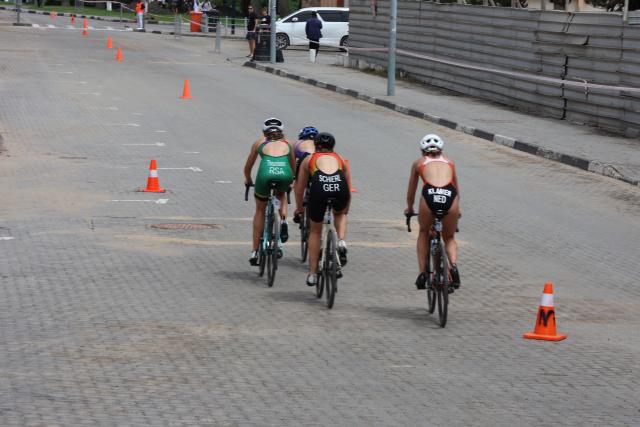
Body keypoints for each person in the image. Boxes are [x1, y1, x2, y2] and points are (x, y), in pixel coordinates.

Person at [404, 134, 461, 291]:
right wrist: (458, 209)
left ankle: (422, 274)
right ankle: (454, 267)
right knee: (449, 237)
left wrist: (409, 207)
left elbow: (412, 190)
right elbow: (456, 187)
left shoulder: (419, 163)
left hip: (430, 195)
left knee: (423, 232)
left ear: (423, 151)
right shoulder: (450, 162)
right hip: (450, 195)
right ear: (441, 150)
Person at [294, 132, 351, 286]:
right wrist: (345, 210)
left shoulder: (308, 159)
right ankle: (341, 240)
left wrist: (299, 210)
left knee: (315, 231)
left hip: (319, 189)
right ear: (332, 146)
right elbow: (348, 186)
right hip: (340, 189)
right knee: (339, 213)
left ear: (316, 146)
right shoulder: (340, 159)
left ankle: (312, 274)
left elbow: (299, 190)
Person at [244, 118, 295, 266]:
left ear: (264, 132)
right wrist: (291, 181)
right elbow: (293, 168)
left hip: (265, 175)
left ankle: (254, 251)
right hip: (284, 174)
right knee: (281, 194)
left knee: (260, 210)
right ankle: (283, 220)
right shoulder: (288, 144)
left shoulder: (259, 143)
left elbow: (248, 167)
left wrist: (248, 180)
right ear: (281, 131)